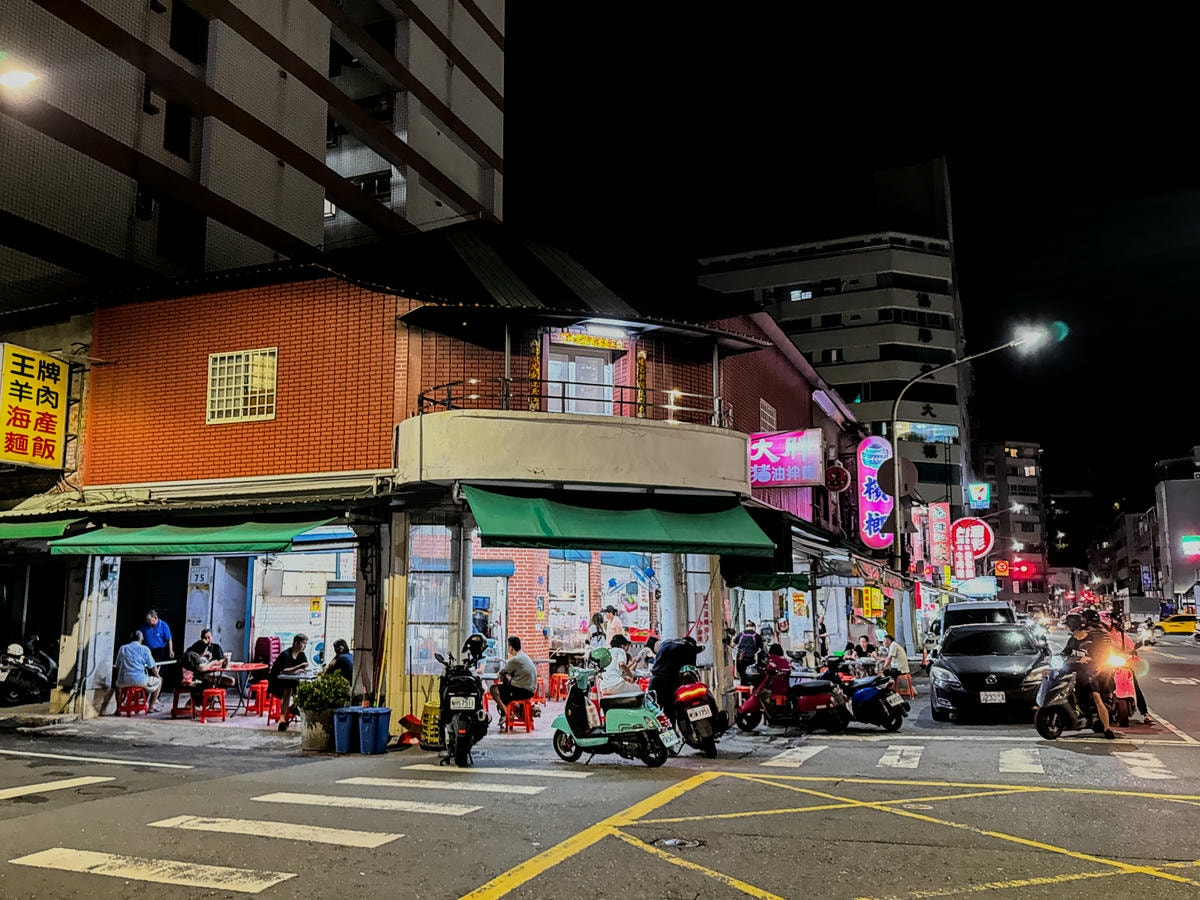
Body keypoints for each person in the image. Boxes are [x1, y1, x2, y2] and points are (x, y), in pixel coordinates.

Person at [1064, 609, 1115, 739]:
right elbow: (1065, 653)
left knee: (1096, 697)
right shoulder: (1072, 640)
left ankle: (1107, 728)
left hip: (1091, 673)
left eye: (1067, 625)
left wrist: (1091, 660)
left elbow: (1099, 656)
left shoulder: (1092, 639)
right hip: (1077, 672)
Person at [1107, 619, 1151, 724]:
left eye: (1112, 625)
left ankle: (1145, 713)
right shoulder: (1103, 636)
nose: (1112, 628)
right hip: (1107, 666)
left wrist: (1133, 655)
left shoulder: (1123, 636)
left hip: (1123, 665)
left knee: (1135, 686)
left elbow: (1132, 649)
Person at [490, 636, 537, 731]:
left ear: (511, 647)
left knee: (494, 689)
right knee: (504, 690)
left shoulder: (515, 660)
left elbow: (501, 673)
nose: (508, 648)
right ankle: (507, 713)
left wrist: (500, 674)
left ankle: (508, 713)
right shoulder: (524, 656)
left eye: (508, 646)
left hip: (523, 691)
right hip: (530, 690)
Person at [648, 635, 701, 717]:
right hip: (671, 682)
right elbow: (692, 669)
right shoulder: (689, 647)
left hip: (655, 681)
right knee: (671, 710)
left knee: (657, 711)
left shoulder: (665, 643)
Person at [269, 633, 309, 731]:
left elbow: (303, 668)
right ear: (296, 643)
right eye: (303, 643)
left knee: (304, 688)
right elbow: (284, 670)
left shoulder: (301, 655)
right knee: (288, 690)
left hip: (291, 679)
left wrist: (297, 670)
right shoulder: (285, 654)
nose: (305, 646)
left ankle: (294, 707)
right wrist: (297, 668)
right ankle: (282, 719)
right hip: (278, 681)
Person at [113, 630, 162, 710]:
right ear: (142, 639)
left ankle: (118, 708)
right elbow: (152, 666)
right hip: (140, 681)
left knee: (118, 686)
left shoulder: (123, 648)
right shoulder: (145, 649)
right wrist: (157, 676)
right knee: (159, 681)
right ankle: (151, 706)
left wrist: (120, 677)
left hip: (123, 680)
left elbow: (117, 665)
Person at [733, 621, 763, 686]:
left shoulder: (740, 634)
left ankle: (744, 690)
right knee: (751, 677)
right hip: (750, 659)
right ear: (754, 627)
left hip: (740, 658)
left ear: (746, 627)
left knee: (742, 677)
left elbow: (732, 645)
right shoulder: (757, 636)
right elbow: (761, 649)